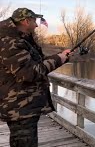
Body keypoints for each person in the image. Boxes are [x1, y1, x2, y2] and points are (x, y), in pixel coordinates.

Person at [0, 8, 71, 147]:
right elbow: (30, 72)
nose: (37, 25)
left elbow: (37, 64)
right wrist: (58, 59)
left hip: (24, 105)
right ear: (26, 21)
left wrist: (61, 56)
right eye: (34, 21)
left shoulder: (20, 39)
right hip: (20, 108)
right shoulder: (10, 42)